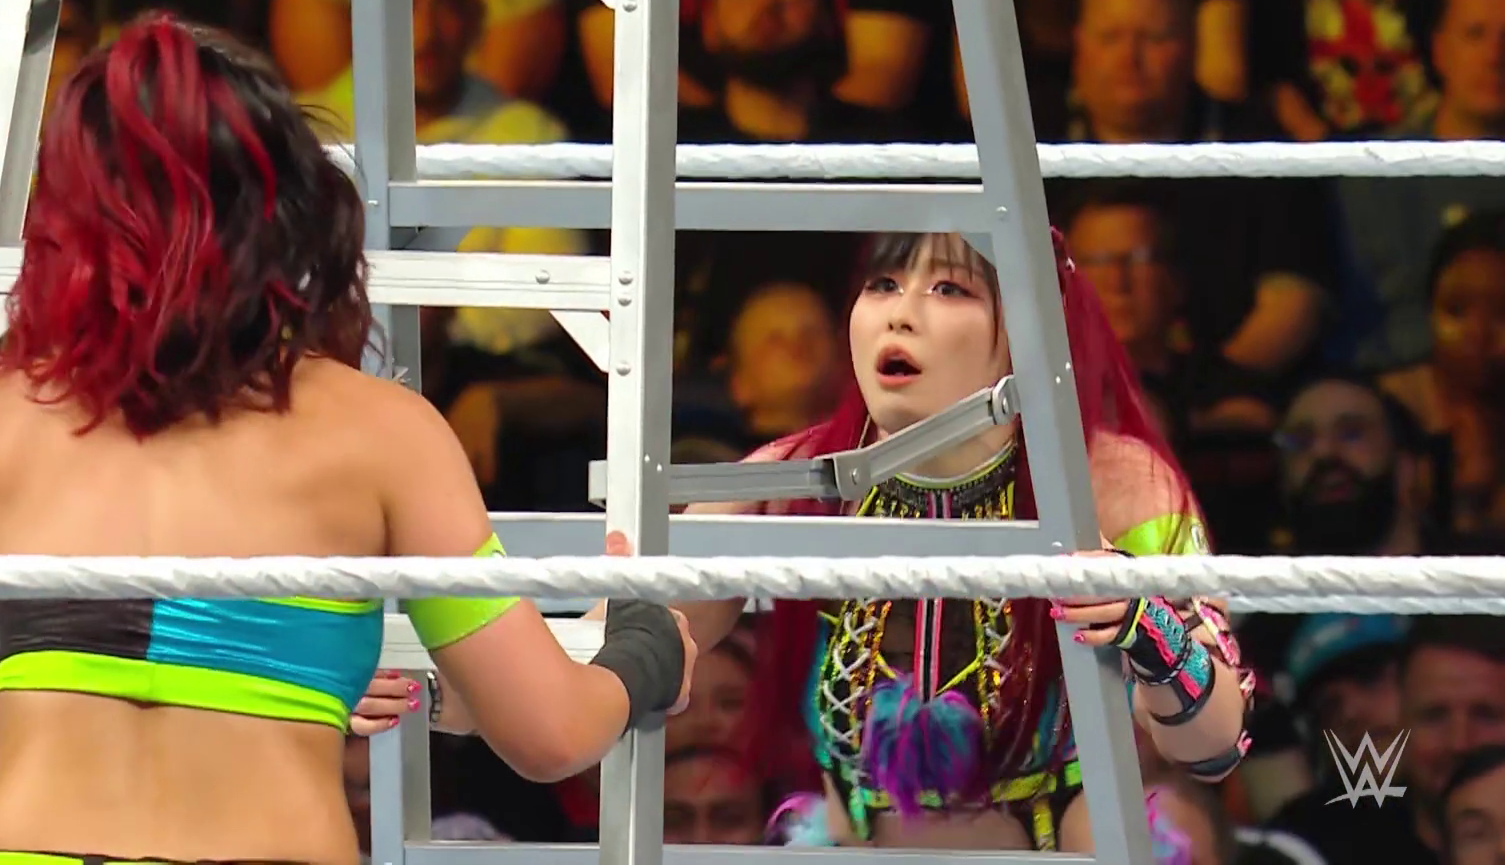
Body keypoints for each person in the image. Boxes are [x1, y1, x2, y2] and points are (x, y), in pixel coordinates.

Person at [0, 13, 698, 865]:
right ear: (288, 207)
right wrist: (645, 647)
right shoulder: (378, 432)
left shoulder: (5, 418)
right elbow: (549, 732)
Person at [490, 229, 1249, 853]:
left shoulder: (1112, 484)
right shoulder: (794, 479)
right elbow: (612, 656)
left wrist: (1147, 628)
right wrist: (461, 677)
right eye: (883, 285)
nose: (901, 316)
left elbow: (1214, 747)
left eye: (949, 289)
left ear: (1028, 328)